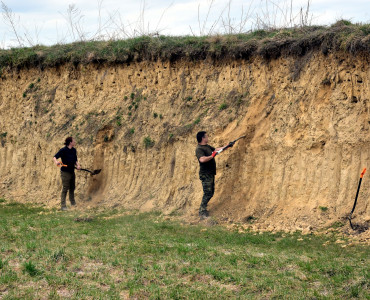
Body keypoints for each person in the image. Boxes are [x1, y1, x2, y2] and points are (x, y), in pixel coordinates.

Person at [195, 131, 231, 218]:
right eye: (206, 136)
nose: (208, 138)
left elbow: (216, 150)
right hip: (205, 174)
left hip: (210, 173)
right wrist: (212, 156)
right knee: (207, 193)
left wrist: (227, 146)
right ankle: (202, 211)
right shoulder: (199, 149)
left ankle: (203, 210)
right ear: (203, 138)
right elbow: (202, 160)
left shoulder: (207, 146)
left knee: (211, 193)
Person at [53, 137, 81, 210]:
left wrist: (78, 165)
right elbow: (55, 157)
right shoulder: (63, 150)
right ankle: (63, 206)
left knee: (72, 187)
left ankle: (73, 203)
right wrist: (56, 162)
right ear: (70, 142)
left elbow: (75, 160)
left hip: (72, 171)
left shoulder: (74, 150)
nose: (75, 142)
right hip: (65, 172)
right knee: (65, 188)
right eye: (74, 141)